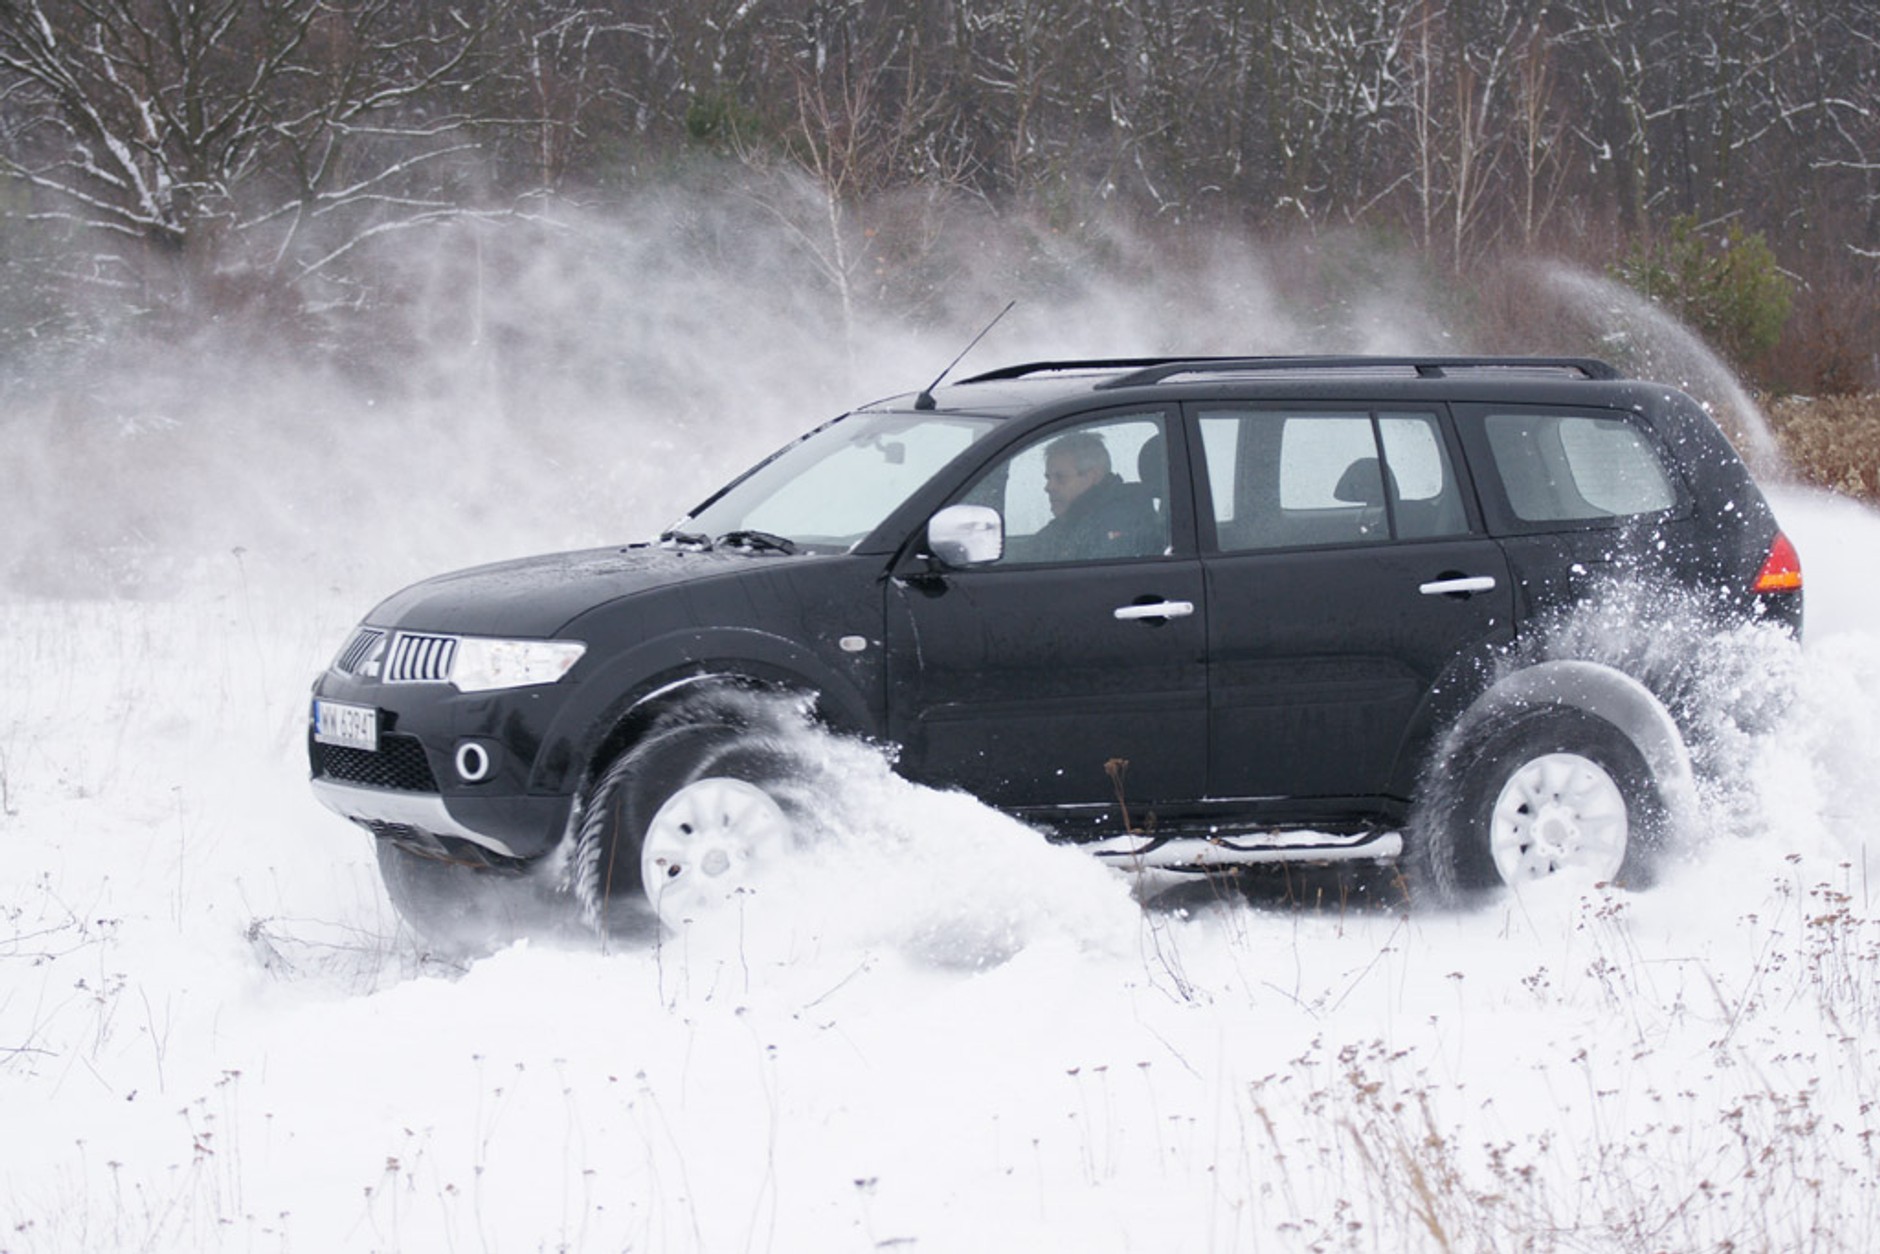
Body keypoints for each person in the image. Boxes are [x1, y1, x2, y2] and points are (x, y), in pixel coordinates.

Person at [1030, 431, 1161, 561]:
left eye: (1060, 478)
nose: (1048, 487)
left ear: (1092, 477)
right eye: (1048, 478)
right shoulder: (1073, 521)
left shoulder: (1121, 525)